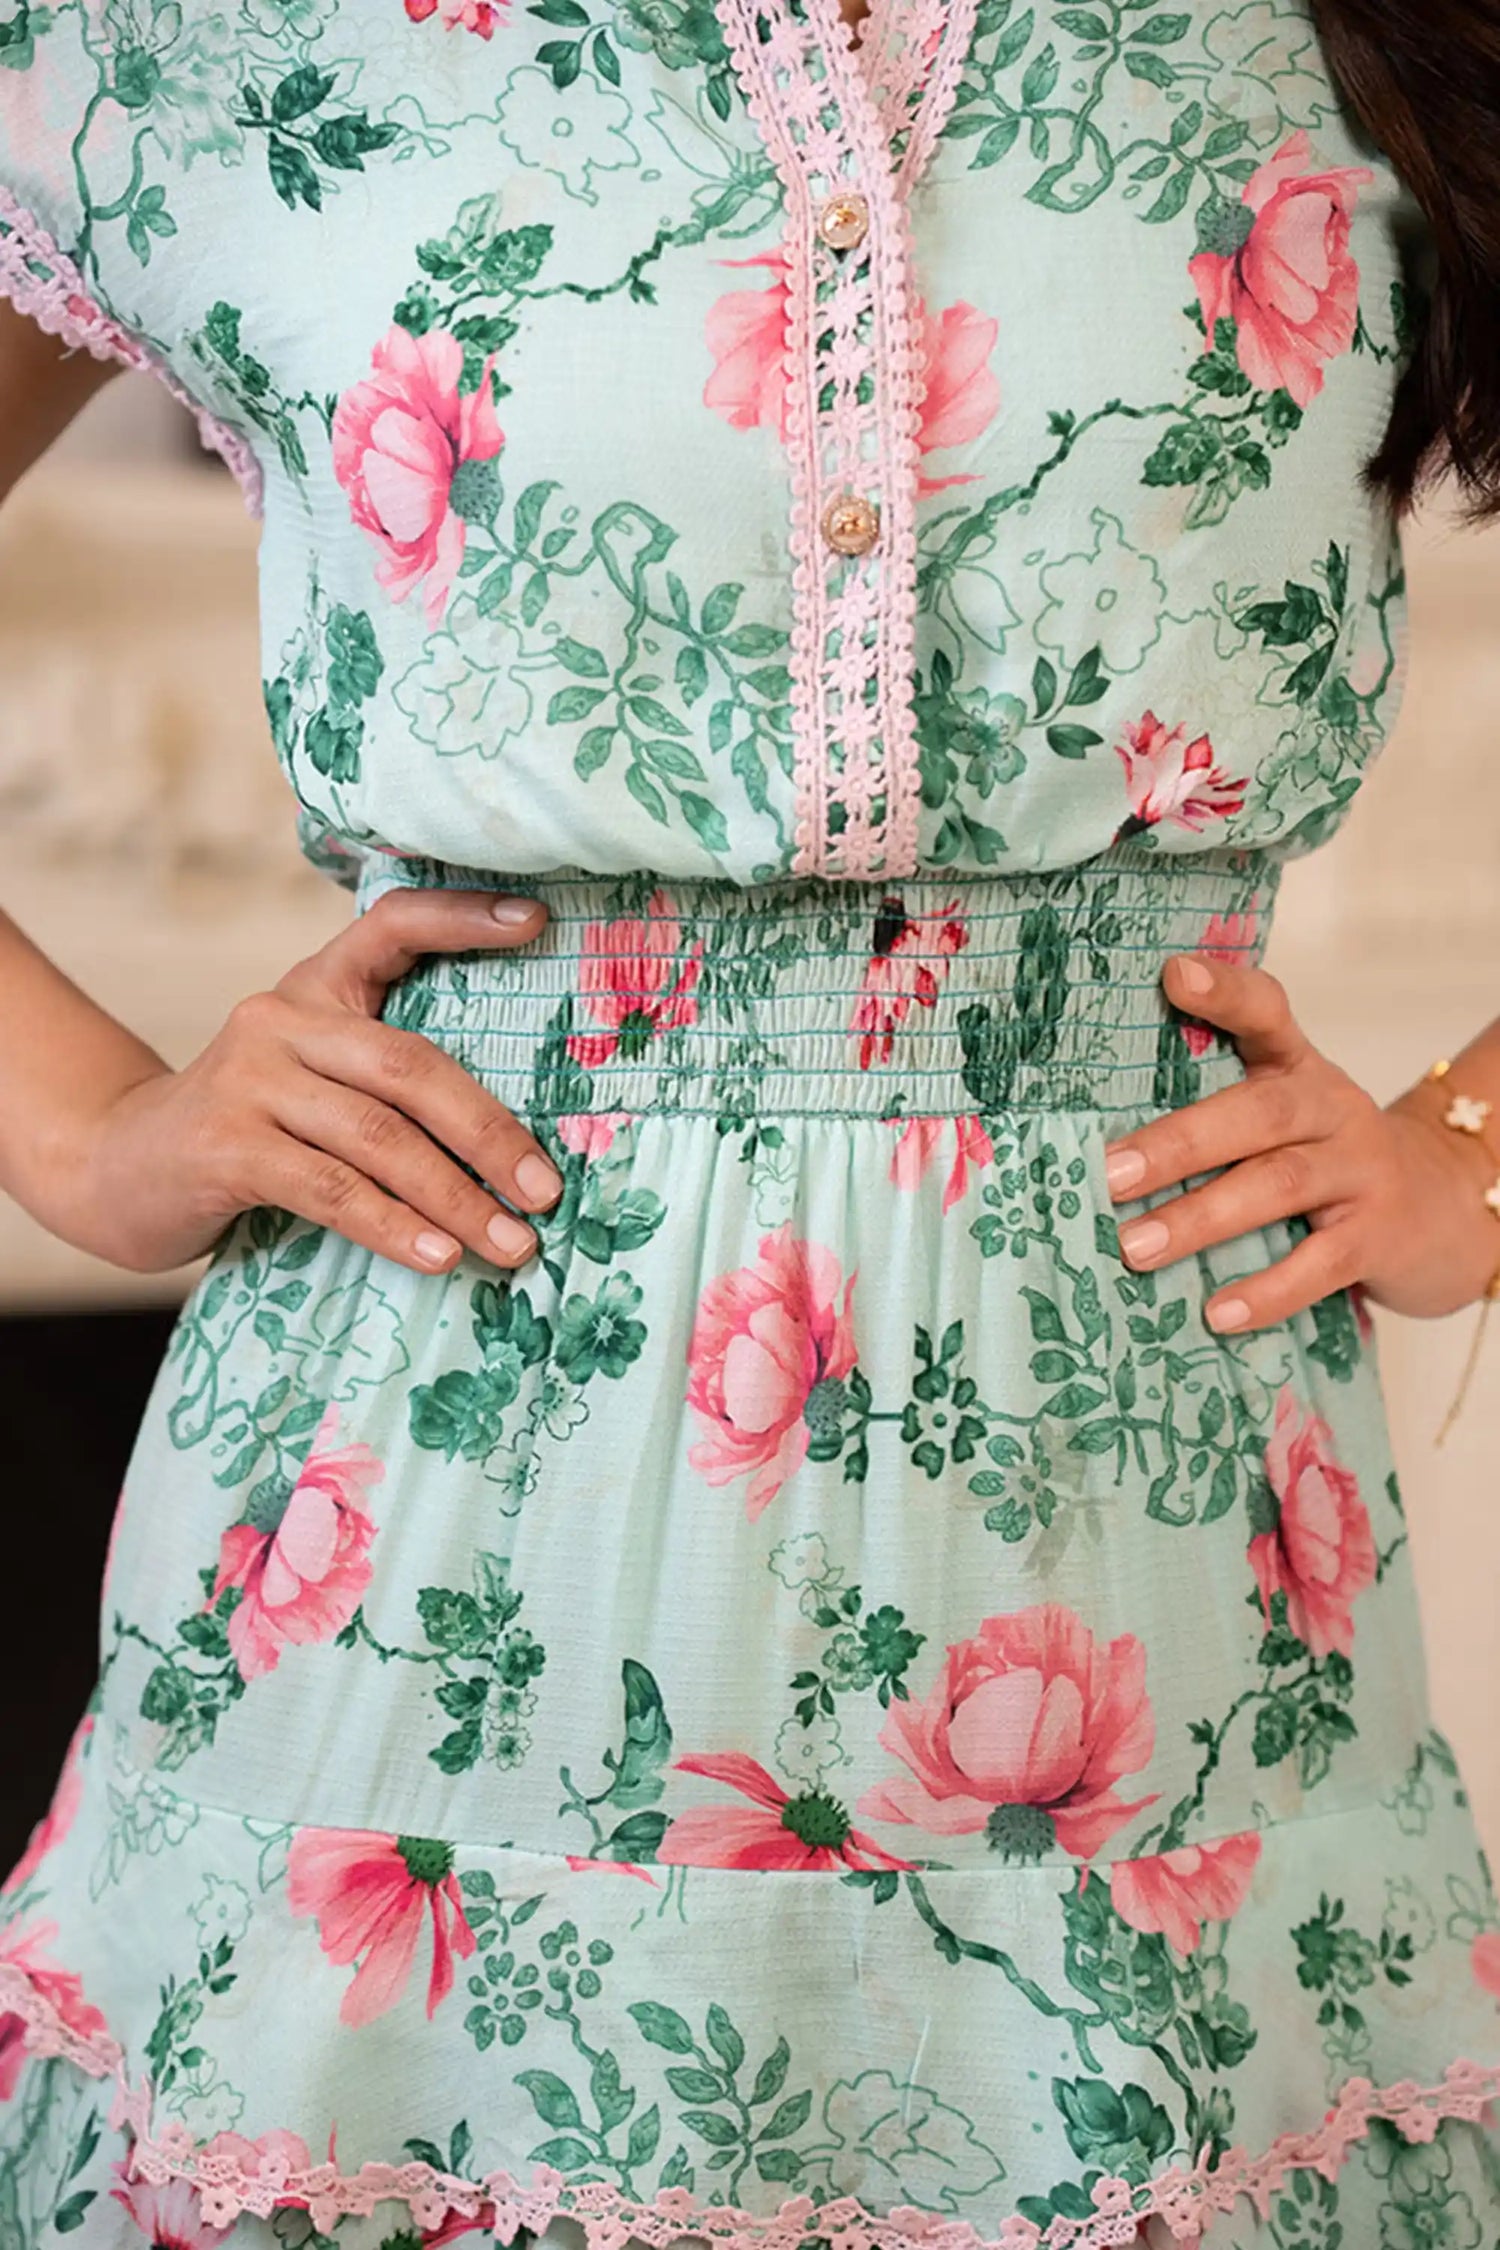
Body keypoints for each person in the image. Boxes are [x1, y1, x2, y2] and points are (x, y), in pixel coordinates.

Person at [1, 0, 1498, 2243]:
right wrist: (91, 1137)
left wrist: (1471, 1154)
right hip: (409, 1564)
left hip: (1170, 1595)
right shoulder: (206, 34)